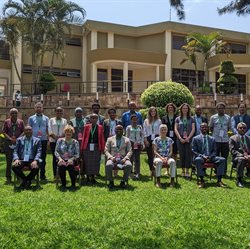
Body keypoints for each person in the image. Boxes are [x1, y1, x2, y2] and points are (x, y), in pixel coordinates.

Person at [192, 122, 226, 188]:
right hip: (200, 157)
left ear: (207, 128)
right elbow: (194, 150)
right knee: (198, 160)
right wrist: (202, 156)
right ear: (200, 128)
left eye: (205, 127)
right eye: (202, 127)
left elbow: (215, 150)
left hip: (211, 157)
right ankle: (202, 180)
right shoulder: (195, 138)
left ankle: (219, 181)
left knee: (222, 160)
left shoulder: (212, 139)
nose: (204, 128)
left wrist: (210, 157)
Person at [12, 126, 41, 190]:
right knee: (14, 167)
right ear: (24, 132)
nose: (28, 131)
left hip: (32, 160)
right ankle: (27, 181)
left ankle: (24, 182)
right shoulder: (19, 140)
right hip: (21, 159)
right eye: (26, 130)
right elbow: (15, 151)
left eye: (30, 130)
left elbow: (39, 152)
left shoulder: (37, 140)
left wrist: (35, 160)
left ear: (32, 131)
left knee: (36, 167)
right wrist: (16, 159)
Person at [105, 125, 132, 189]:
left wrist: (125, 158)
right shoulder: (110, 139)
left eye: (120, 129)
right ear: (115, 131)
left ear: (123, 131)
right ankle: (111, 181)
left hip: (123, 158)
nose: (119, 131)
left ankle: (123, 181)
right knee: (108, 165)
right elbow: (106, 150)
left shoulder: (127, 140)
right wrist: (111, 157)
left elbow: (130, 151)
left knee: (129, 165)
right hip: (113, 158)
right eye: (117, 129)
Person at [2, 108, 25, 184]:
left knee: (18, 161)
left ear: (17, 114)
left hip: (18, 144)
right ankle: (8, 177)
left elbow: (23, 132)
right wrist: (10, 138)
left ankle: (18, 176)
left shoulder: (21, 122)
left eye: (15, 113)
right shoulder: (6, 122)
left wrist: (17, 139)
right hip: (9, 144)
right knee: (9, 161)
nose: (14, 114)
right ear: (10, 114)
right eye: (12, 113)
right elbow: (4, 132)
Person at [81, 113, 105, 183]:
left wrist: (102, 148)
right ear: (90, 119)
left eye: (95, 118)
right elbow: (84, 137)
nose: (94, 119)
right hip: (87, 146)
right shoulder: (86, 126)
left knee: (95, 162)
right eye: (92, 118)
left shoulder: (100, 127)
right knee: (87, 161)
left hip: (96, 146)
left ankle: (93, 177)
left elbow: (101, 138)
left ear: (97, 119)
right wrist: (82, 147)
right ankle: (88, 177)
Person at [28, 102, 49, 180]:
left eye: (40, 107)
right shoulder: (31, 118)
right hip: (34, 140)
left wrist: (48, 139)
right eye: (37, 107)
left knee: (43, 158)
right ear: (35, 108)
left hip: (43, 140)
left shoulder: (46, 118)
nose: (39, 108)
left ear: (42, 108)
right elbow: (29, 130)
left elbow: (47, 129)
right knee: (33, 157)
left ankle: (42, 175)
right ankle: (33, 175)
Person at [54, 125, 80, 191]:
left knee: (71, 167)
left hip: (72, 159)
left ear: (72, 133)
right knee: (62, 167)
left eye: (70, 132)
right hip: (61, 159)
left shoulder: (75, 142)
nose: (68, 133)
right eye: (66, 132)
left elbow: (77, 154)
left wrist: (71, 159)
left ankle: (73, 184)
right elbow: (56, 151)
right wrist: (60, 159)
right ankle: (63, 184)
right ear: (64, 132)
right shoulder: (59, 141)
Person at [209, 102, 231, 175]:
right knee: (216, 156)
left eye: (222, 108)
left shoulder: (228, 117)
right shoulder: (213, 117)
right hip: (216, 140)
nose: (220, 109)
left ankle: (224, 171)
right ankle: (216, 171)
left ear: (224, 109)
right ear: (217, 109)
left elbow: (228, 128)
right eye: (219, 108)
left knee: (225, 156)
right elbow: (211, 128)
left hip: (225, 140)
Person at [174, 103, 195, 178]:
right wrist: (180, 138)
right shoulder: (178, 119)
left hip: (189, 138)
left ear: (188, 109)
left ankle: (187, 171)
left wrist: (188, 138)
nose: (185, 110)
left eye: (186, 108)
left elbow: (193, 129)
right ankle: (182, 170)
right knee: (182, 154)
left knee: (188, 155)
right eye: (183, 108)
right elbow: (175, 129)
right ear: (181, 109)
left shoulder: (191, 118)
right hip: (180, 138)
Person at [48, 107, 68, 180]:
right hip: (53, 141)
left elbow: (66, 130)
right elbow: (49, 130)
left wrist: (61, 138)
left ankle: (61, 174)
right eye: (58, 111)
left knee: (62, 157)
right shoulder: (51, 120)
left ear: (62, 112)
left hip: (62, 142)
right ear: (55, 112)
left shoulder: (64, 121)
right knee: (55, 158)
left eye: (60, 111)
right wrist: (56, 138)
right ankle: (55, 175)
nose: (59, 112)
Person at [229, 122, 250, 188]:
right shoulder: (232, 138)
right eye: (240, 128)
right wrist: (243, 155)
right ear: (237, 129)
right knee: (241, 159)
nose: (242, 129)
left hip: (249, 157)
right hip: (237, 158)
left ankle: (248, 173)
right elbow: (232, 151)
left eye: (244, 128)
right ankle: (239, 180)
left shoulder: (249, 138)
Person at [143, 106, 162, 177]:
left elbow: (160, 131)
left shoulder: (159, 121)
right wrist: (145, 140)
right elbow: (144, 131)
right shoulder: (146, 120)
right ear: (149, 112)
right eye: (152, 111)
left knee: (156, 154)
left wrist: (159, 140)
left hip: (157, 138)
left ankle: (156, 170)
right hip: (149, 138)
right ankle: (151, 170)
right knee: (150, 155)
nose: (153, 113)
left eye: (154, 111)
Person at [126, 114, 144, 179]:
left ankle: (137, 172)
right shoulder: (128, 127)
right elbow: (127, 136)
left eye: (136, 119)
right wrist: (128, 144)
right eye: (133, 120)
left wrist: (142, 143)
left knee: (137, 159)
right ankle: (130, 172)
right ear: (131, 120)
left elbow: (142, 135)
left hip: (138, 144)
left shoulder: (140, 127)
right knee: (130, 158)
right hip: (131, 144)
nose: (135, 121)